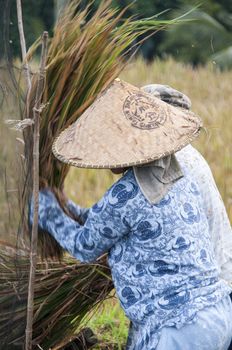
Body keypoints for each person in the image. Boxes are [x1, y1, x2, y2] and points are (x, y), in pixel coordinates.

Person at [31, 79, 232, 349]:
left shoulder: (125, 193)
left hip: (179, 328)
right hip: (219, 314)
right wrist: (69, 208)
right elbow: (115, 221)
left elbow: (85, 247)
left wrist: (47, 212)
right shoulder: (178, 175)